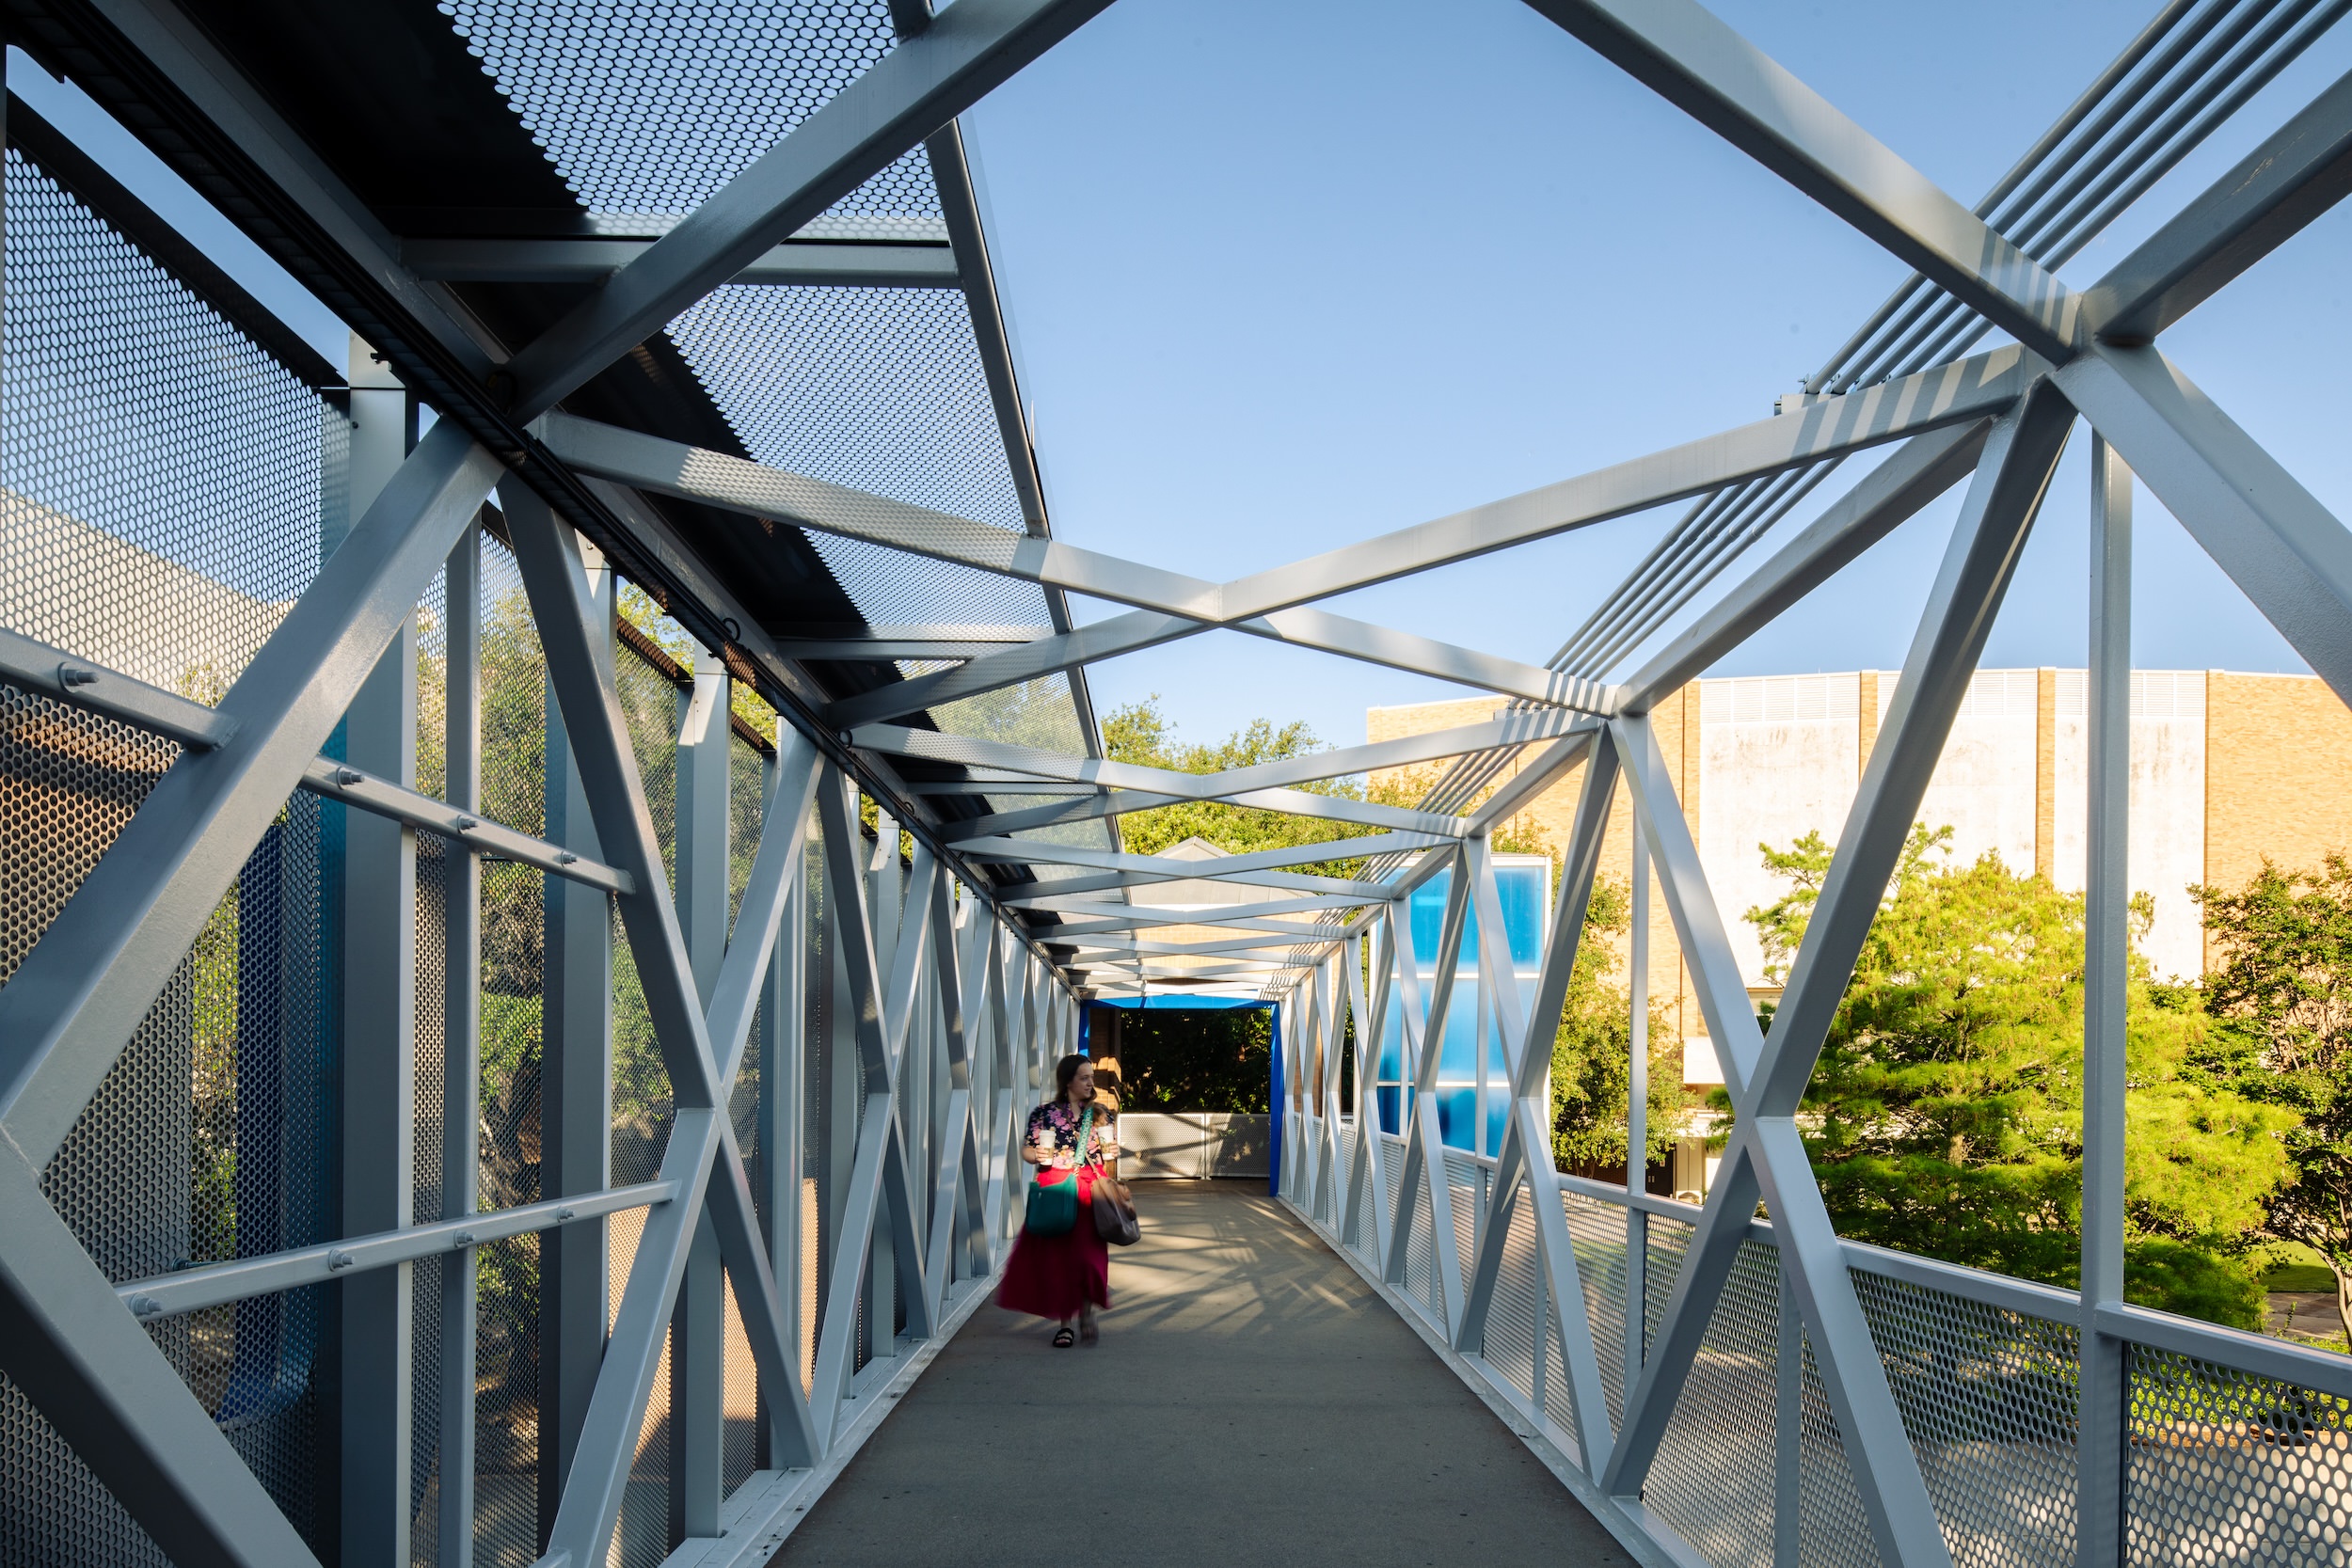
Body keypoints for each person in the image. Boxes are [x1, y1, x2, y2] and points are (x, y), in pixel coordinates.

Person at [998, 1053, 1120, 1346]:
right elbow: (1028, 1150)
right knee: (1062, 1261)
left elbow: (1110, 1152)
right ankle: (1065, 1325)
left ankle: (1087, 1309)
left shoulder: (1103, 1114)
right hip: (1055, 1190)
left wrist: (1114, 1151)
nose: (1091, 1082)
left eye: (1091, 1076)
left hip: (1091, 1192)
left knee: (1088, 1259)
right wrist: (1035, 1155)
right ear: (1068, 1082)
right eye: (1084, 1077)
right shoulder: (1044, 1114)